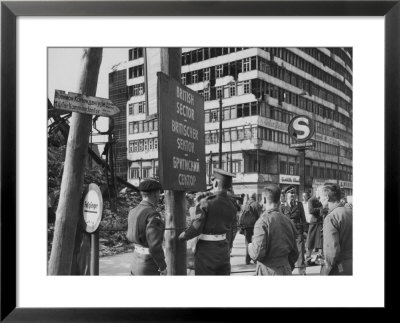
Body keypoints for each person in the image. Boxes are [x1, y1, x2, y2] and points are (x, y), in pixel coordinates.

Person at [178, 168, 237, 275]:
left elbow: (196, 228)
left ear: (216, 183)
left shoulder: (206, 203)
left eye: (213, 181)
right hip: (223, 248)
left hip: (207, 251)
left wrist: (182, 236)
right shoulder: (232, 206)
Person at [248, 184, 298, 275]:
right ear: (279, 200)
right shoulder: (288, 221)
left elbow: (257, 254)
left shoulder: (262, 222)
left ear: (264, 199)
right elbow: (295, 253)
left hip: (267, 270)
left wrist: (250, 246)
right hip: (286, 269)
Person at [126, 179, 167, 276]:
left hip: (135, 258)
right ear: (155, 194)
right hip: (149, 262)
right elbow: (155, 246)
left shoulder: (133, 211)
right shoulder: (152, 214)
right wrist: (162, 266)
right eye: (159, 194)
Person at [318, 183, 353, 275]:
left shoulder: (331, 217)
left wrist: (325, 270)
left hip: (339, 268)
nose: (319, 200)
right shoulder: (351, 211)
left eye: (320, 197)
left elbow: (332, 252)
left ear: (327, 197)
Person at [281, 185, 307, 275]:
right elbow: (280, 221)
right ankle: (288, 271)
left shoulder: (299, 205)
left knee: (300, 253)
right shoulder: (282, 206)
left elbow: (303, 219)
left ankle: (302, 272)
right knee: (288, 253)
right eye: (290, 193)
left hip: (298, 232)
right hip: (287, 233)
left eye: (294, 193)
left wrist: (305, 231)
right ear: (286, 195)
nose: (292, 195)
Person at [239, 192, 262, 264]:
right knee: (255, 244)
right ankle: (255, 259)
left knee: (248, 243)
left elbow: (240, 216)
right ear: (255, 197)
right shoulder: (257, 204)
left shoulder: (244, 205)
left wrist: (241, 226)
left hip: (246, 227)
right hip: (255, 227)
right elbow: (260, 216)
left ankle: (247, 260)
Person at [305, 192, 323, 265]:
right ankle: (308, 259)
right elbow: (310, 210)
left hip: (320, 223)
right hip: (314, 223)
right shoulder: (311, 200)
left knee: (321, 242)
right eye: (319, 192)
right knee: (310, 242)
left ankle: (320, 258)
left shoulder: (320, 200)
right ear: (316, 192)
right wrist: (320, 209)